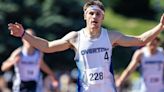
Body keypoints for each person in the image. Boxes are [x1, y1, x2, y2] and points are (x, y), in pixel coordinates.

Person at [7, 0, 164, 91]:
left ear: (103, 18)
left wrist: (160, 26)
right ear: (85, 16)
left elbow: (141, 40)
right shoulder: (75, 38)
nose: (94, 16)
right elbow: (47, 46)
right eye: (91, 13)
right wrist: (23, 35)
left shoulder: (110, 36)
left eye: (98, 14)